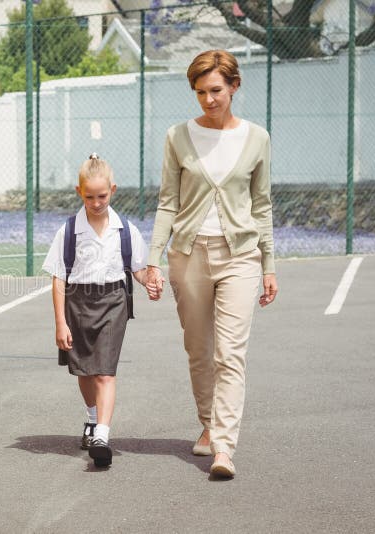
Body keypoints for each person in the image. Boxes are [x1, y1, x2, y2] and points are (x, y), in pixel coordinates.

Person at [145, 50, 278, 478]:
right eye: (200, 92)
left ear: (234, 86)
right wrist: (152, 260)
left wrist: (269, 263)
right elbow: (168, 203)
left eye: (216, 90)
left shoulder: (257, 138)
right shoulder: (178, 137)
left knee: (230, 354)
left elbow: (262, 206)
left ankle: (223, 446)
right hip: (188, 254)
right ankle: (207, 423)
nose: (208, 100)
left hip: (241, 255)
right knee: (198, 350)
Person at [43, 153, 159, 468]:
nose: (96, 202)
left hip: (113, 302)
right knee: (85, 371)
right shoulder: (68, 231)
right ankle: (92, 419)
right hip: (77, 302)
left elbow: (138, 269)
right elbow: (58, 278)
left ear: (114, 191)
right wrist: (60, 323)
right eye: (90, 196)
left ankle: (102, 436)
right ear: (79, 192)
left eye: (103, 196)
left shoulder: (126, 230)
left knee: (105, 371)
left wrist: (151, 280)